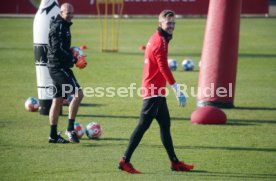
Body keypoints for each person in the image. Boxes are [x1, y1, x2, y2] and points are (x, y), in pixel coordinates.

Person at [118, 10, 194, 173]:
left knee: (165, 125)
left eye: (173, 23)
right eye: (169, 23)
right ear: (160, 24)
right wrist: (176, 88)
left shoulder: (159, 37)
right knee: (142, 126)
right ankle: (125, 161)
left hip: (157, 91)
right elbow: (163, 67)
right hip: (153, 92)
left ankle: (174, 162)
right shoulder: (160, 42)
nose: (172, 26)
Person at [47, 3, 87, 144]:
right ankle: (70, 129)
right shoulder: (58, 27)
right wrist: (75, 59)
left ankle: (53, 136)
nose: (70, 15)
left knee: (57, 100)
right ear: (61, 12)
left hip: (57, 67)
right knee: (78, 94)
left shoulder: (63, 25)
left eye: (72, 12)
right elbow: (57, 50)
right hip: (59, 68)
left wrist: (73, 53)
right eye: (67, 13)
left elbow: (62, 48)